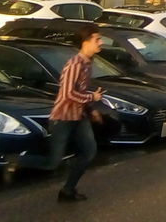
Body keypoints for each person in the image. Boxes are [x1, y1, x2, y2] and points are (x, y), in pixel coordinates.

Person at [46, 24, 105, 201]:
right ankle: (16, 161)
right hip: (63, 118)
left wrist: (91, 110)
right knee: (52, 163)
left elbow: (80, 90)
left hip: (79, 117)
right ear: (85, 42)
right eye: (97, 39)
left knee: (89, 152)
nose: (100, 43)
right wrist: (91, 98)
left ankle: (68, 190)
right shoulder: (75, 64)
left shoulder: (88, 64)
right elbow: (68, 94)